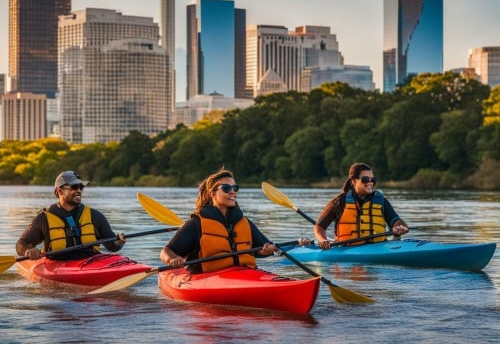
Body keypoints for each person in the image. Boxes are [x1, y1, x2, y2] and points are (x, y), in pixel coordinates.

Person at [160, 169, 310, 273]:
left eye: (235, 187)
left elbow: (262, 249)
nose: (233, 192)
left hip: (244, 273)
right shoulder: (196, 223)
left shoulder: (244, 222)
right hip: (206, 277)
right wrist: (173, 260)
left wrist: (293, 244)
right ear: (213, 193)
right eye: (226, 188)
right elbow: (166, 251)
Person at [16, 171, 126, 260]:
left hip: (91, 261)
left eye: (81, 187)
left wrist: (119, 242)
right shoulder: (43, 218)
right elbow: (21, 243)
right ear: (60, 191)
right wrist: (28, 251)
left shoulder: (95, 216)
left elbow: (112, 246)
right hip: (58, 263)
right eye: (74, 187)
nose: (79, 190)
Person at [314, 163, 409, 250]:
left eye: (373, 179)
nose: (370, 182)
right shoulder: (340, 201)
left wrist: (399, 228)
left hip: (378, 248)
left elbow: (396, 220)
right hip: (346, 250)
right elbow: (319, 226)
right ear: (354, 182)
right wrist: (322, 240)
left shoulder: (381, 201)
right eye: (365, 179)